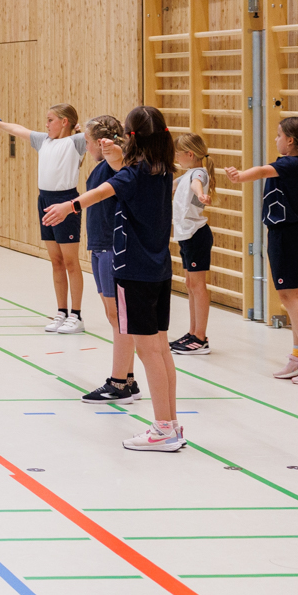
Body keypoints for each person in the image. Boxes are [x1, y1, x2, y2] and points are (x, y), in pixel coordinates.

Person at [44, 105, 182, 452]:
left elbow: (102, 191)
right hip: (159, 270)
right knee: (161, 349)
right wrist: (119, 159)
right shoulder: (162, 170)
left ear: (132, 138)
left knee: (149, 352)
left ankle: (163, 428)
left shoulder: (133, 175)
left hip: (132, 271)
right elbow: (123, 175)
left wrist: (68, 206)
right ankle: (172, 425)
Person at [224, 117, 298, 384]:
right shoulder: (294, 163)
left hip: (287, 235)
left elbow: (260, 171)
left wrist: (240, 176)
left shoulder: (290, 164)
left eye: (279, 135)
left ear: (290, 141)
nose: (275, 139)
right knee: (294, 296)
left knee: (289, 297)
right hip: (285, 233)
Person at [0, 105, 87, 333]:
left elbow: (99, 131)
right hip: (44, 201)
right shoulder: (44, 141)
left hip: (66, 201)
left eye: (50, 120)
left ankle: (77, 315)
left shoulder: (77, 141)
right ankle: (61, 311)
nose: (46, 124)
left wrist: (81, 128)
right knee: (56, 260)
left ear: (64, 121)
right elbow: (19, 130)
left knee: (70, 261)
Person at [77, 115, 141, 405]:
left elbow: (121, 169)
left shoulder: (115, 167)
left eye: (88, 142)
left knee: (119, 317)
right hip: (100, 244)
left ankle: (119, 383)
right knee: (113, 315)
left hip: (113, 246)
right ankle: (127, 377)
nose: (86, 146)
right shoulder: (100, 166)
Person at [170, 132, 214, 356]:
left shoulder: (198, 173)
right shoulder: (187, 174)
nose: (176, 158)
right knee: (190, 284)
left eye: (178, 154)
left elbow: (197, 184)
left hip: (197, 235)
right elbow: (171, 185)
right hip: (187, 235)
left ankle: (200, 337)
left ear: (190, 154)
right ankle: (193, 331)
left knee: (198, 286)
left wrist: (201, 195)